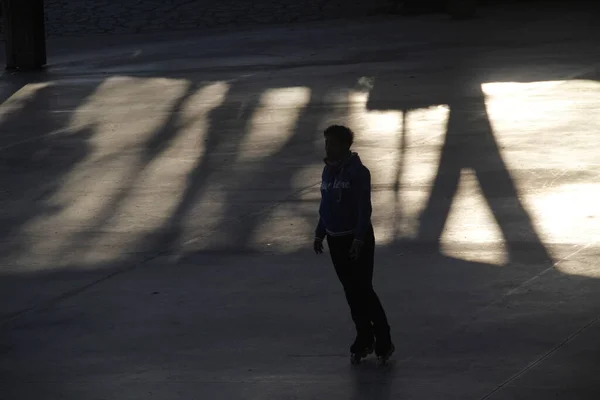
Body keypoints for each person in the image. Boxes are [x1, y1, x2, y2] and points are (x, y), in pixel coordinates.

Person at [313, 125, 394, 363]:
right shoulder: (327, 172)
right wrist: (320, 233)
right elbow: (325, 206)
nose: (328, 147)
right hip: (336, 240)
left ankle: (384, 339)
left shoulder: (359, 172)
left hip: (356, 240)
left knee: (364, 291)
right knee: (350, 292)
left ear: (345, 146)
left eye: (332, 143)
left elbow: (363, 209)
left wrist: (359, 239)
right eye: (326, 142)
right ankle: (364, 337)